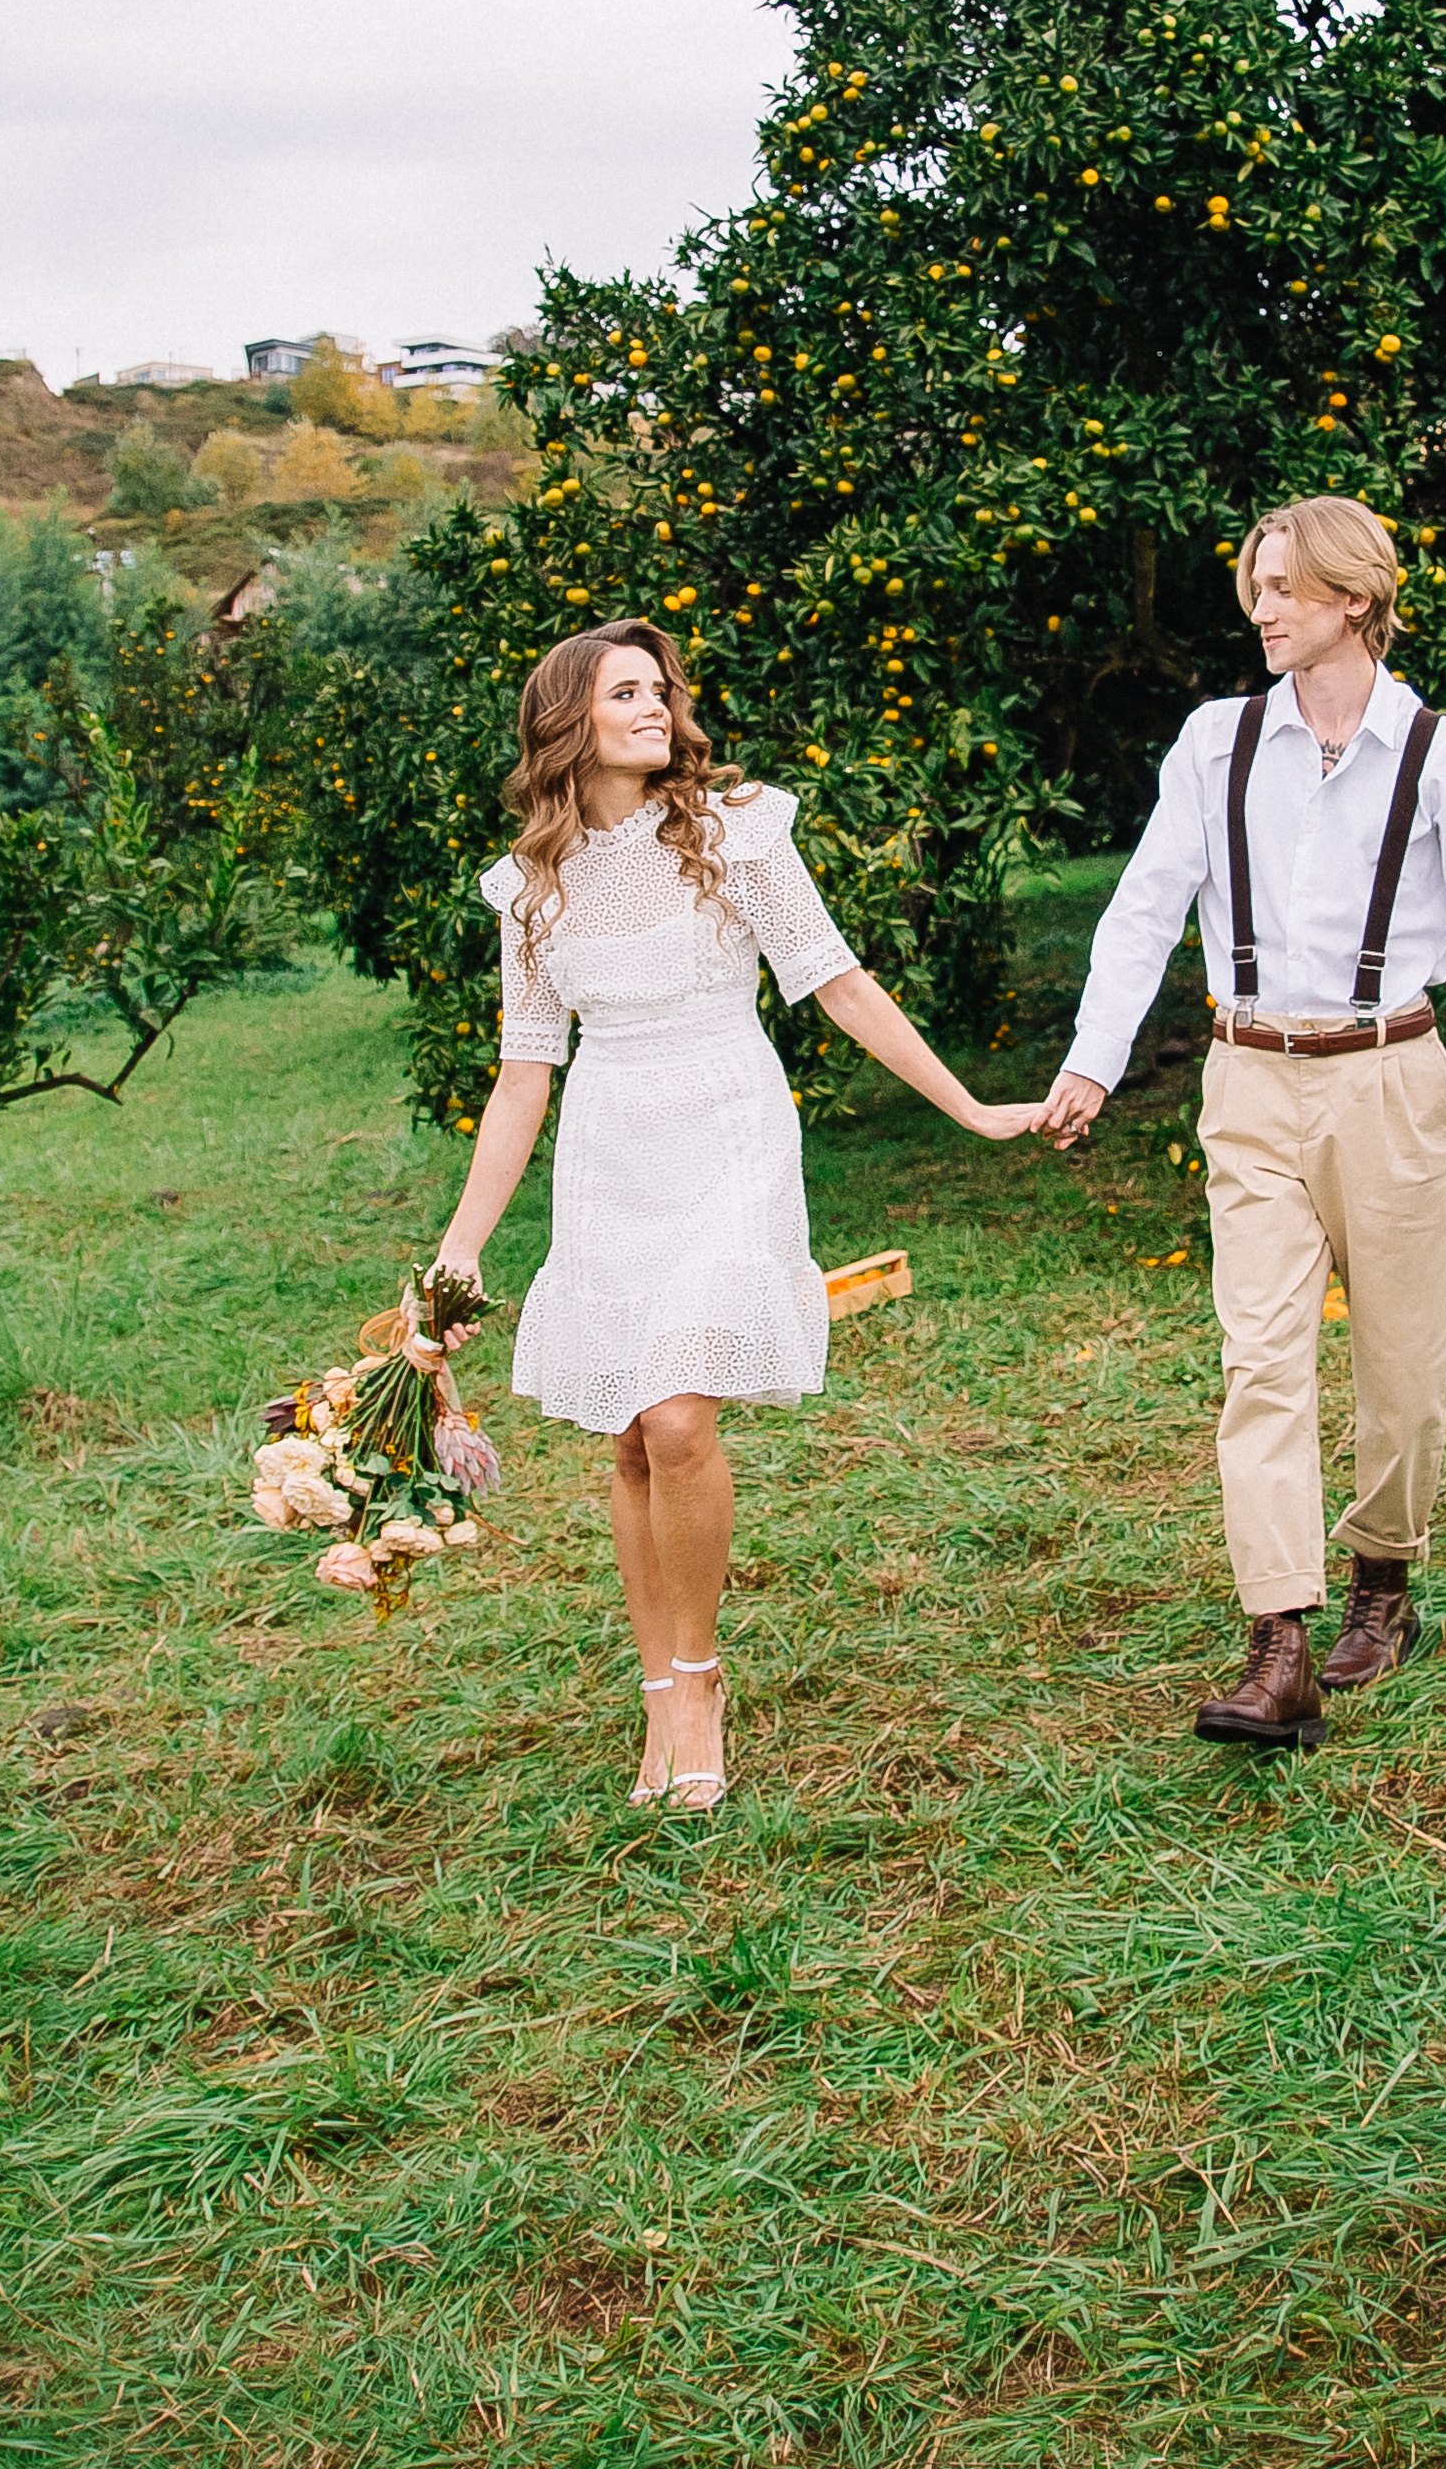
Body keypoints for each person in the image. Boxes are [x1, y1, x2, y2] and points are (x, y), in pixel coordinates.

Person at [433, 620, 1043, 1812]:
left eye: (660, 690)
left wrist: (968, 1108)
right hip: (611, 1153)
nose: (656, 708)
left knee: (674, 1416)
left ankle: (698, 1680)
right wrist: (459, 1250)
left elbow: (837, 980)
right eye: (625, 693)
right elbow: (522, 1075)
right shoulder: (532, 888)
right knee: (624, 1433)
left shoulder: (737, 829)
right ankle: (657, 1685)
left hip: (728, 1127)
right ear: (569, 721)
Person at [1037, 497, 1446, 1751]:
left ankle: (1385, 1580)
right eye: (1254, 588)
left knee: (1405, 1377)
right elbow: (1142, 907)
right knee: (1257, 1364)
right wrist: (1093, 1063)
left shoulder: (1443, 753)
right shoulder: (1215, 743)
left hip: (1397, 1081)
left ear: (1354, 601)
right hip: (1250, 1080)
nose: (1259, 610)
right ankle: (1280, 1642)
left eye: (1282, 589)